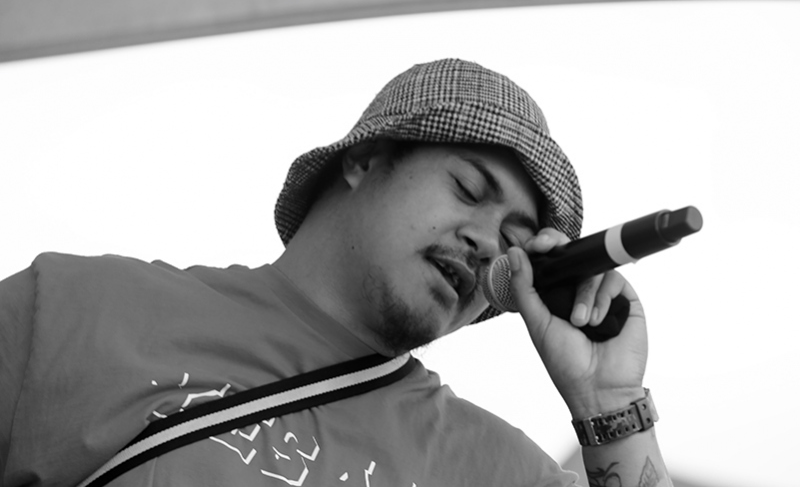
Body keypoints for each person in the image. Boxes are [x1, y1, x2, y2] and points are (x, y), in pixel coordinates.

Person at [0, 58, 672, 486]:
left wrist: (610, 404)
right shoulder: (69, 309)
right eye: (468, 189)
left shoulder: (499, 470)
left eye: (512, 241)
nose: (483, 242)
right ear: (365, 160)